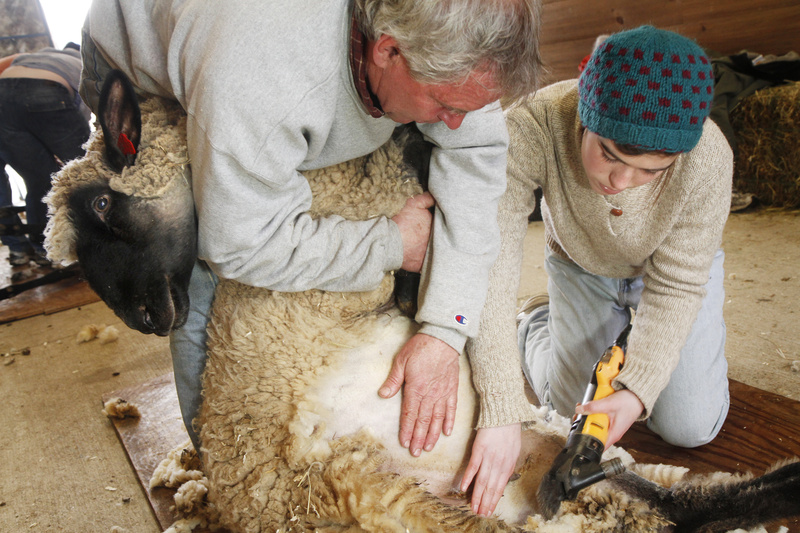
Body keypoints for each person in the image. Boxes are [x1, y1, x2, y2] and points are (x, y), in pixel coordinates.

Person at [79, 0, 543, 515]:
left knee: (403, 161)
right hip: (149, 62)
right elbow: (238, 242)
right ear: (388, 50)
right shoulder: (261, 71)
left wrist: (445, 329)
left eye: (471, 108)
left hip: (303, 77)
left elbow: (475, 174)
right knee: (187, 247)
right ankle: (239, 476)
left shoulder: (460, 59)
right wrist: (392, 243)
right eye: (445, 105)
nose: (456, 124)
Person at [466, 25, 733, 514]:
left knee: (689, 425)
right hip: (581, 262)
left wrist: (636, 392)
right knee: (567, 409)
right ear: (583, 119)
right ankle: (535, 324)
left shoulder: (708, 156)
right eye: (608, 155)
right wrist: (501, 404)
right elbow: (488, 262)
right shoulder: (531, 127)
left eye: (651, 170)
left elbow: (678, 283)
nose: (623, 181)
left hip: (669, 271)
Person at [0, 44, 92, 266]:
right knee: (89, 173)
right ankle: (99, 244)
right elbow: (86, 112)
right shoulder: (86, 63)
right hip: (49, 89)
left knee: (40, 180)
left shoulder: (38, 55)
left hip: (2, 95)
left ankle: (45, 250)